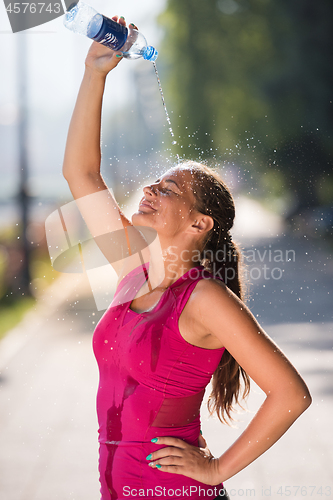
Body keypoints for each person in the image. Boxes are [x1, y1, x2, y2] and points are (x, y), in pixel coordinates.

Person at [62, 16, 312, 500]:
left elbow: (291, 394)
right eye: (157, 180)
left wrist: (217, 469)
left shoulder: (204, 299)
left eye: (170, 188)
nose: (152, 187)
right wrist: (95, 75)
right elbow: (81, 175)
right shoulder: (134, 273)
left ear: (200, 223)